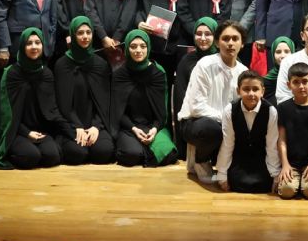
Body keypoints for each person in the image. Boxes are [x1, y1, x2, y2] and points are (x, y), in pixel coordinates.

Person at [178, 21, 250, 181]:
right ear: (217, 42)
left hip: (227, 124)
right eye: (225, 38)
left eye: (235, 39)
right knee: (211, 129)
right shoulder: (205, 65)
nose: (230, 43)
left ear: (242, 44)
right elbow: (196, 107)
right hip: (195, 122)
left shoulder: (243, 71)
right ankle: (200, 161)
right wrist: (227, 119)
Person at [0, 28, 68, 169]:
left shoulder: (46, 73)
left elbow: (51, 109)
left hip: (40, 130)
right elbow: (7, 114)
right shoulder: (12, 73)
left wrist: (71, 131)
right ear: (22, 46)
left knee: (52, 156)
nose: (34, 47)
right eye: (29, 43)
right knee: (31, 156)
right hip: (16, 130)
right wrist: (27, 133)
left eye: (37, 43)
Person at [111, 29, 180, 168]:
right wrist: (134, 129)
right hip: (129, 127)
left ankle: (145, 149)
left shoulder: (158, 72)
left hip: (153, 126)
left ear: (148, 48)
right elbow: (117, 111)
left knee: (170, 154)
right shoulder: (120, 75)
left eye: (143, 46)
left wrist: (155, 129)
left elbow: (162, 110)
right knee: (131, 154)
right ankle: (143, 149)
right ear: (127, 49)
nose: (138, 50)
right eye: (133, 46)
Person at [54, 17, 116, 165]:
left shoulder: (100, 64)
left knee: (103, 152)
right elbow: (63, 104)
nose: (85, 36)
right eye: (80, 33)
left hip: (96, 123)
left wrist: (96, 126)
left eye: (88, 32)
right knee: (77, 154)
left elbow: (105, 101)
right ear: (73, 35)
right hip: (71, 123)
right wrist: (76, 127)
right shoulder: (62, 65)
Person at [216, 71, 280, 193]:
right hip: (239, 158)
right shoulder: (230, 110)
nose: (251, 94)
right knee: (237, 182)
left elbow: (271, 146)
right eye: (246, 89)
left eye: (255, 89)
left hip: (261, 158)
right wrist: (222, 174)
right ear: (238, 91)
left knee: (263, 183)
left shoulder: (271, 111)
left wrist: (275, 175)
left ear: (262, 91)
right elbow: (227, 144)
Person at [275, 62, 308, 199]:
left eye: (305, 81)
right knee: (286, 191)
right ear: (289, 85)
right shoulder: (283, 108)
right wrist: (285, 164)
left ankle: (306, 180)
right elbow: (281, 140)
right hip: (291, 163)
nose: (301, 86)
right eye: (296, 82)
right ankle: (295, 181)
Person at [173, 17, 219, 127]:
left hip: (220, 116)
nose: (202, 38)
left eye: (208, 34)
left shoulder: (224, 58)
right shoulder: (186, 61)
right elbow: (180, 97)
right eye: (198, 34)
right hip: (193, 119)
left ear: (215, 36)